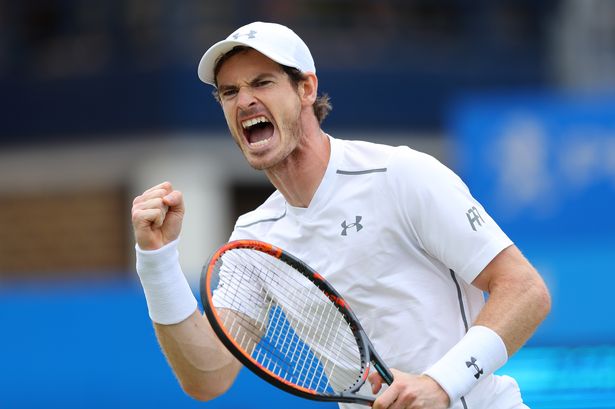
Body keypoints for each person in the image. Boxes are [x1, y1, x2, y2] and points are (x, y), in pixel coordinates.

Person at [131, 21, 551, 409]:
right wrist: (157, 262)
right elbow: (208, 377)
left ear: (306, 89)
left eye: (263, 82)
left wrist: (441, 383)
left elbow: (525, 290)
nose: (244, 101)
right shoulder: (253, 239)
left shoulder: (400, 175)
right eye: (229, 92)